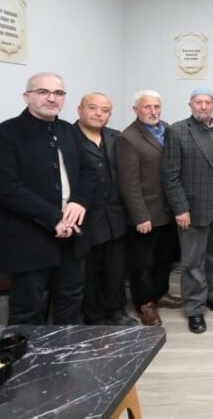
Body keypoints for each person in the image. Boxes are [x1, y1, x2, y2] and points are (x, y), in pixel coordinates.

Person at [0, 72, 96, 324]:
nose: (52, 98)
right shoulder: (3, 134)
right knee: (28, 311)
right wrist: (55, 218)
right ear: (27, 96)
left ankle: (66, 349)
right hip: (28, 240)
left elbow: (88, 171)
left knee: (71, 300)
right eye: (43, 92)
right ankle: (30, 353)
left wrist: (79, 201)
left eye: (58, 93)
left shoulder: (68, 130)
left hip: (72, 236)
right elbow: (7, 188)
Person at [162, 87, 213, 334]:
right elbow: (170, 175)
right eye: (198, 102)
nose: (203, 106)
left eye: (207, 102)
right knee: (193, 261)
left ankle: (208, 294)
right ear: (190, 105)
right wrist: (180, 209)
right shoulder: (178, 131)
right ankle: (194, 308)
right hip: (192, 210)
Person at [116, 90, 182, 327]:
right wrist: (140, 216)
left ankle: (160, 293)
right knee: (143, 263)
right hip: (146, 214)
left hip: (168, 210)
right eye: (147, 107)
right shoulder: (128, 138)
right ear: (136, 110)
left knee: (164, 258)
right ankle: (145, 303)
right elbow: (128, 183)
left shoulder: (167, 129)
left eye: (156, 107)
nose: (153, 112)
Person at [74, 92, 137, 326]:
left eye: (105, 110)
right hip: (85, 218)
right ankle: (94, 317)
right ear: (80, 110)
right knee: (89, 272)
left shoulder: (116, 137)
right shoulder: (68, 138)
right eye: (93, 108)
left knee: (116, 269)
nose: (99, 113)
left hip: (115, 216)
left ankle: (116, 311)